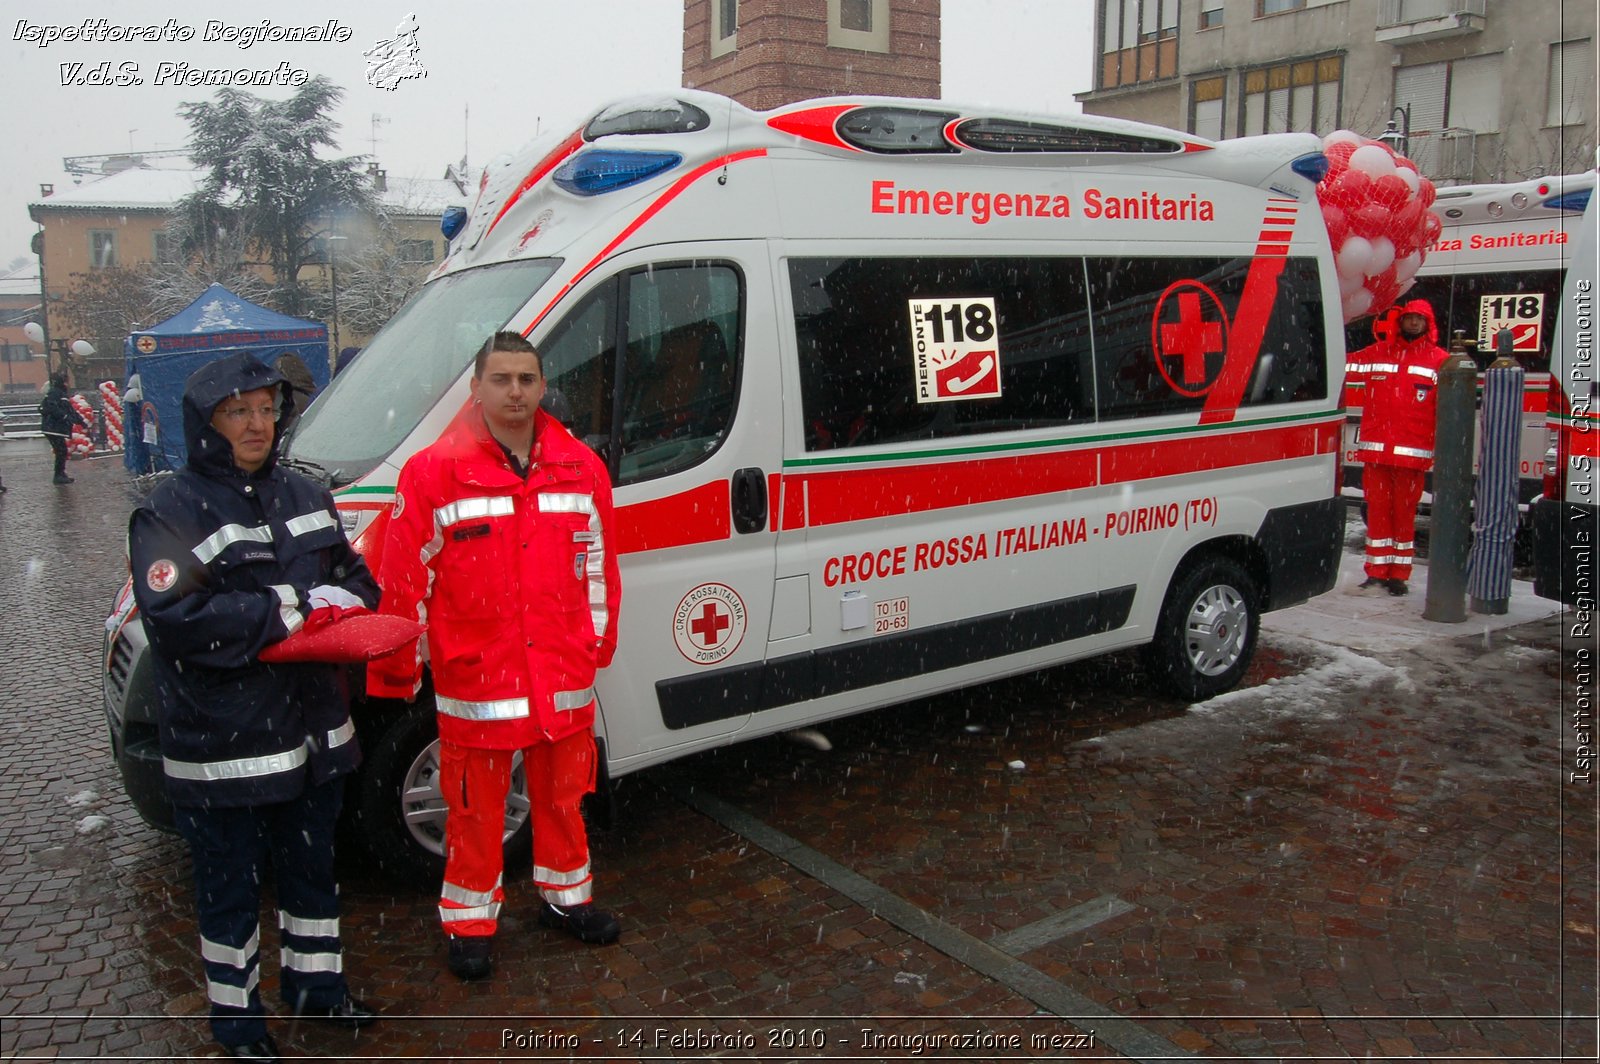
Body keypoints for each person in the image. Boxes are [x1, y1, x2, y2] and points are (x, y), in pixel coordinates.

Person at [127, 352, 379, 1062]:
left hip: (315, 738)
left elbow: (359, 583)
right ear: (206, 424)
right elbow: (179, 619)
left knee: (311, 876)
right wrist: (289, 606)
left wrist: (345, 602)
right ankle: (238, 1025)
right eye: (238, 412)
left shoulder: (306, 495)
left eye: (267, 409)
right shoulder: (168, 510)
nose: (257, 424)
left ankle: (317, 994)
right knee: (229, 895)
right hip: (223, 749)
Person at [368, 331, 622, 981]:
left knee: (564, 800)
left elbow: (598, 567)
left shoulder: (580, 469)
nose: (515, 391)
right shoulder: (432, 473)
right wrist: (398, 670)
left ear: (542, 387)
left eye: (526, 379)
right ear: (476, 388)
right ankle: (470, 923)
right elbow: (404, 582)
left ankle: (567, 903)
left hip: (562, 676)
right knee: (476, 811)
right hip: (477, 680)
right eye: (501, 378)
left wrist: (595, 647)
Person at [1347, 298, 1452, 596]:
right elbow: (1341, 364)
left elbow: (1449, 408)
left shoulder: (1440, 360)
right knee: (1378, 513)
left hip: (1411, 454)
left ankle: (1398, 576)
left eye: (1420, 319)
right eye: (1409, 318)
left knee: (1404, 516)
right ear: (1400, 321)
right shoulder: (1377, 353)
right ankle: (1376, 572)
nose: (1414, 323)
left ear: (1428, 325)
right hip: (1377, 453)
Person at [39, 373, 87, 484]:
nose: (68, 384)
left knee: (61, 451)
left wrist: (80, 421)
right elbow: (53, 407)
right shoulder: (56, 393)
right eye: (66, 381)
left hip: (54, 428)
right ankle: (58, 475)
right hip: (54, 428)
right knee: (61, 451)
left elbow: (70, 410)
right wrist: (64, 417)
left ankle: (60, 473)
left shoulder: (60, 393)